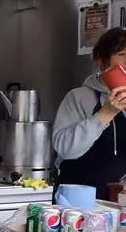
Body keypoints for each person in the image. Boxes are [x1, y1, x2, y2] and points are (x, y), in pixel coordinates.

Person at [53, 27, 126, 199]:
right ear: (100, 60)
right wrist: (107, 112)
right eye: (122, 54)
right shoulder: (78, 98)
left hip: (119, 202)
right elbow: (65, 149)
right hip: (77, 203)